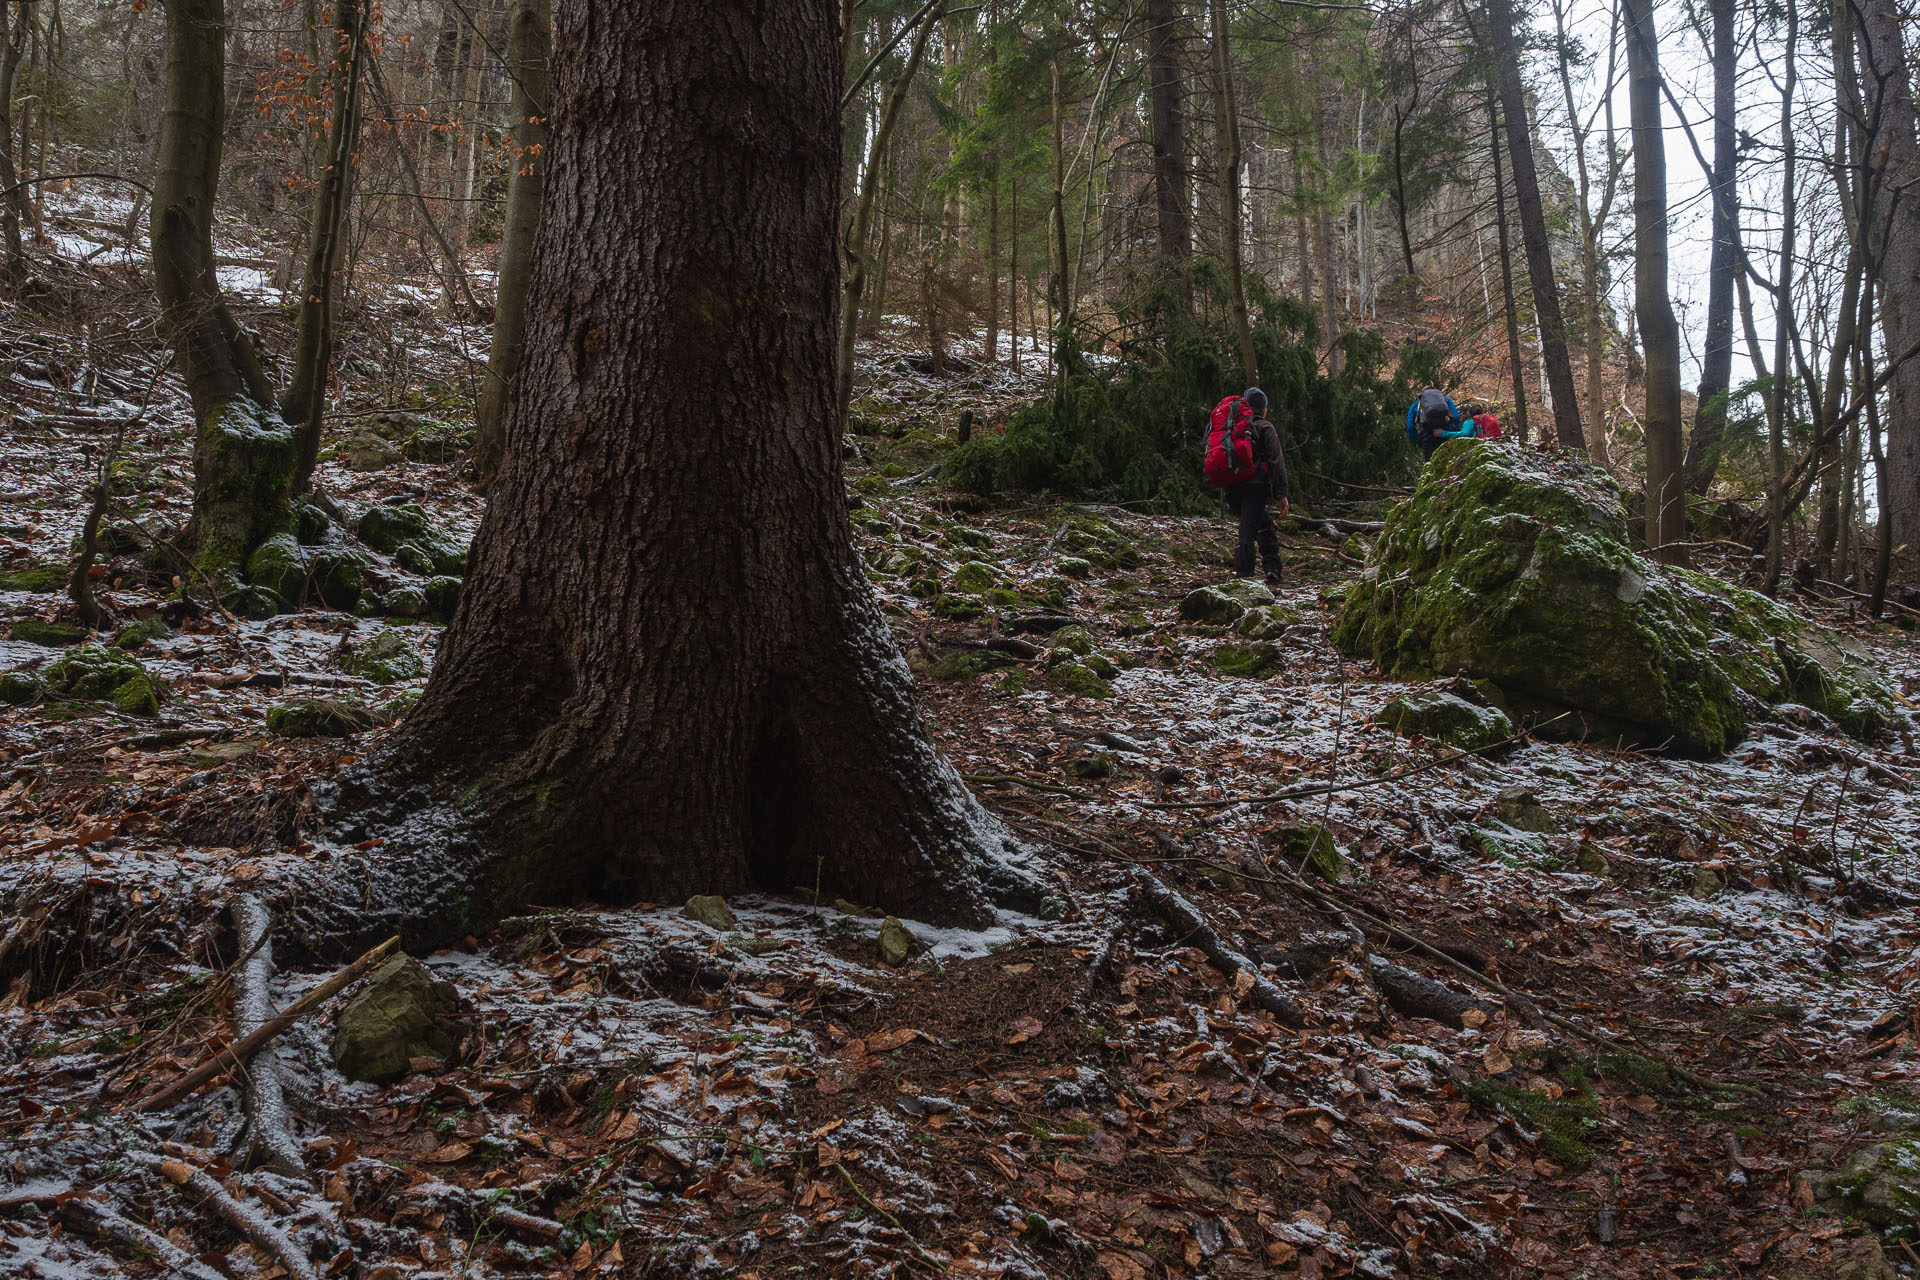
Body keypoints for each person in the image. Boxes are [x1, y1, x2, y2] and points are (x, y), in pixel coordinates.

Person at [1204, 386, 1290, 585]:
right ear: (1264, 409)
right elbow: (1276, 461)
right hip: (1256, 486)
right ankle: (1244, 576)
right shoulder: (1265, 427)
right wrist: (1282, 493)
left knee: (1263, 523)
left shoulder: (1232, 426)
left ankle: (1273, 569)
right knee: (1248, 530)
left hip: (1233, 486)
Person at [1406, 387, 1478, 462]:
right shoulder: (1446, 400)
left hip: (1427, 438)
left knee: (1431, 465)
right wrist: (1451, 432)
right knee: (1446, 464)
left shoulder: (1418, 403)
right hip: (1445, 435)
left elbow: (1410, 426)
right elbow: (1456, 417)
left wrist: (1418, 441)